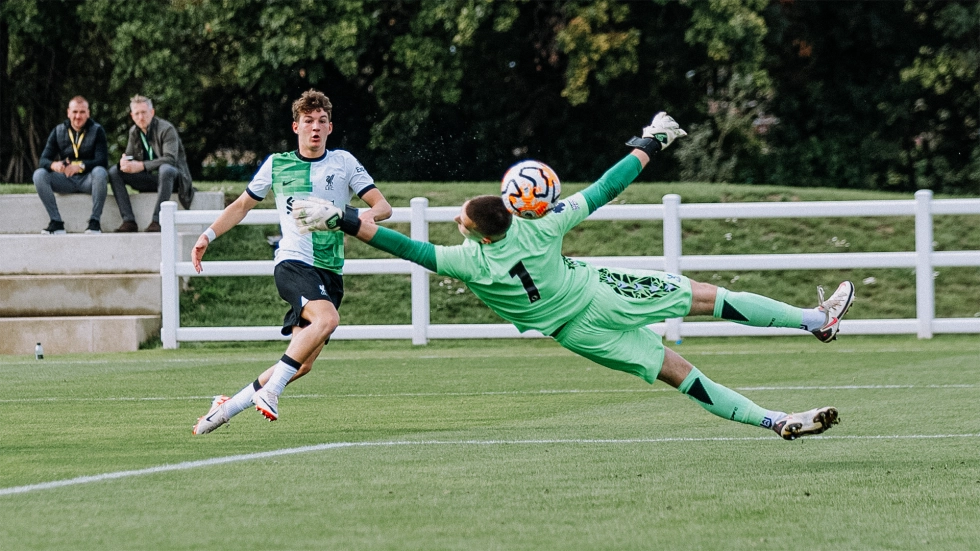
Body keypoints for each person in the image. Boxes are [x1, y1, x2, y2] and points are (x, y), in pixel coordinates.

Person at [293, 112, 854, 440]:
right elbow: (608, 186)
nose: (456, 220)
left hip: (576, 335)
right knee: (713, 299)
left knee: (681, 375)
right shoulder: (542, 227)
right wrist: (651, 139)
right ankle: (816, 320)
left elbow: (402, 245)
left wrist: (339, 219)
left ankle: (775, 419)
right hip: (600, 292)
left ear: (476, 230)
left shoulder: (465, 261)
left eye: (460, 217)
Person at [190, 89, 392, 435]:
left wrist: (342, 214)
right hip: (293, 263)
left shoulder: (343, 162)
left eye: (322, 121)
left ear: (330, 127)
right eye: (309, 121)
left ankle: (224, 408)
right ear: (296, 126)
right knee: (327, 319)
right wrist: (207, 235)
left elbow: (384, 208)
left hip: (331, 269)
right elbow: (241, 206)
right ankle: (271, 391)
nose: (315, 127)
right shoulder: (277, 163)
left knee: (302, 363)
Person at [109, 95, 196, 233]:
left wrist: (142, 165)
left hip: (172, 179)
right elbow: (130, 158)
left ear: (152, 112)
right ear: (132, 116)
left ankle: (157, 221)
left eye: (144, 112)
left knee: (166, 169)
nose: (141, 117)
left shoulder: (167, 129)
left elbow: (170, 159)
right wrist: (124, 163)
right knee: (115, 171)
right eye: (137, 114)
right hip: (150, 179)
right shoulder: (134, 132)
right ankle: (128, 221)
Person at [33, 96, 109, 234]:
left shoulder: (97, 130)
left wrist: (80, 166)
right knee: (39, 175)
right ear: (68, 112)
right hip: (65, 180)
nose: (78, 116)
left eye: (82, 112)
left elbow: (102, 161)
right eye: (74, 112)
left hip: (88, 180)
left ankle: (95, 222)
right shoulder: (58, 131)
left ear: (88, 113)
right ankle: (56, 222)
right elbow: (43, 160)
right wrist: (54, 165)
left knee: (100, 172)